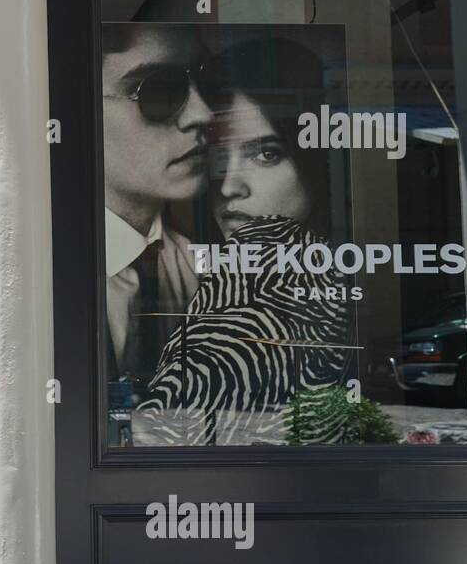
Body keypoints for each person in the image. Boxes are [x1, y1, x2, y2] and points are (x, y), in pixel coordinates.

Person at [136, 36, 355, 445]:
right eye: (218, 158)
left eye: (267, 154)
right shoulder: (200, 284)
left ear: (315, 161)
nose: (231, 185)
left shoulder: (340, 289)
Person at [100, 23, 213, 393]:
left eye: (202, 81)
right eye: (157, 90)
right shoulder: (37, 272)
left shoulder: (204, 271)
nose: (202, 113)